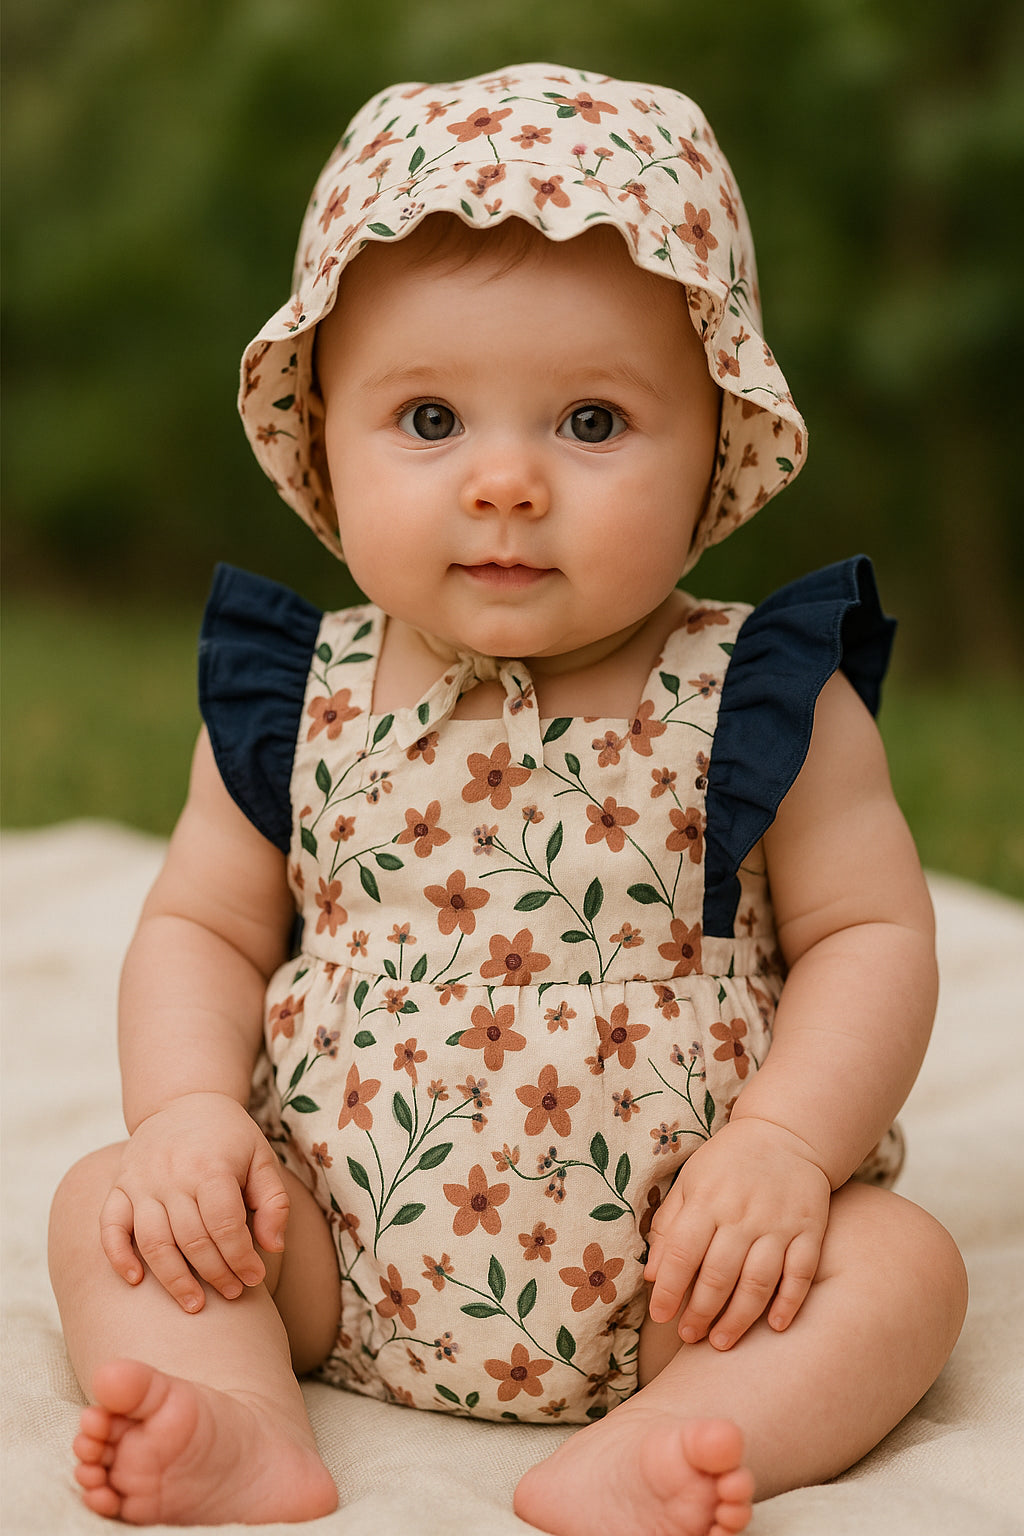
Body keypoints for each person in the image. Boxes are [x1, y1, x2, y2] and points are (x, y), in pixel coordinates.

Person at [49, 63, 967, 1535]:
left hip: (693, 1270)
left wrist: (786, 1149)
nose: (505, 483)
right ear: (321, 437)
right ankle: (238, 1415)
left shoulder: (763, 692)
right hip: (328, 1241)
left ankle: (679, 1433)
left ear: (718, 443)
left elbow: (873, 935)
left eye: (592, 422)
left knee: (904, 1270)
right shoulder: (299, 693)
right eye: (428, 418)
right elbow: (201, 930)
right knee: (111, 1202)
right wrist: (184, 1118)